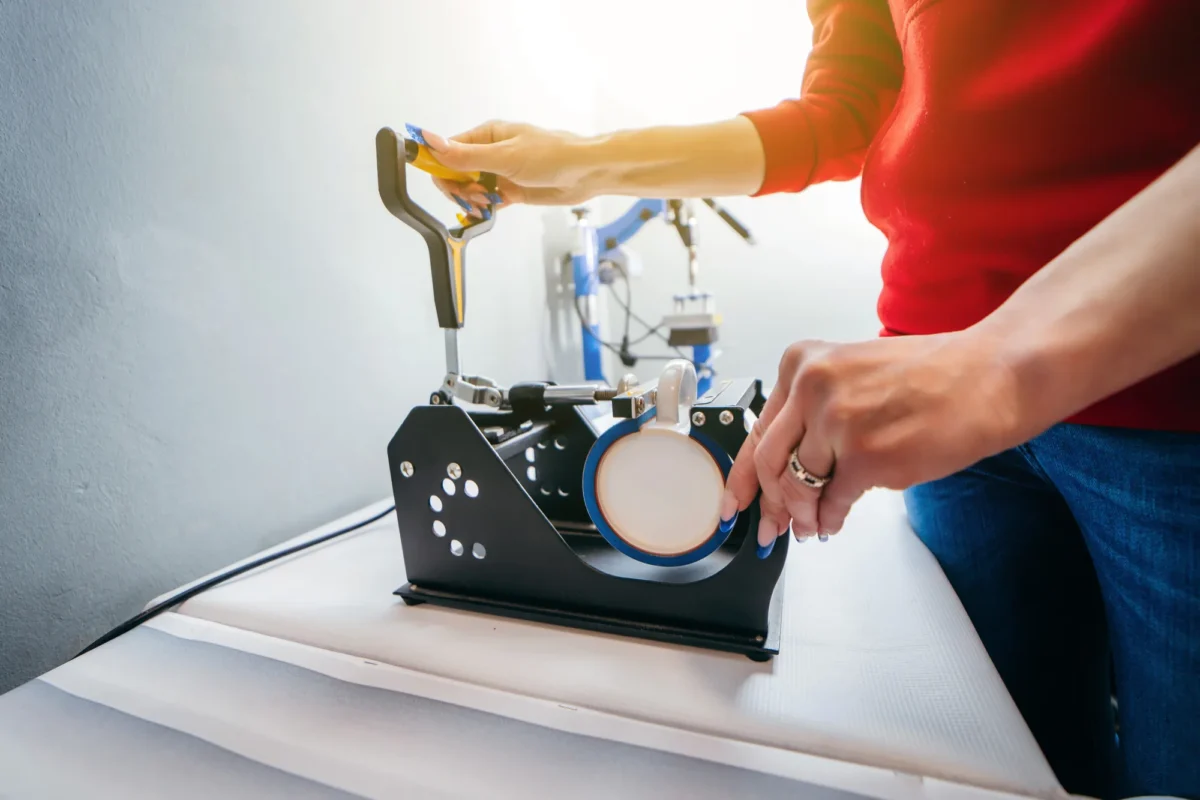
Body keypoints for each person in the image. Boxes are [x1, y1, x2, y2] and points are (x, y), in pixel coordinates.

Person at [418, 2, 1200, 797]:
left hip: (1167, 391)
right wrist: (583, 163)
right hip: (944, 401)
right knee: (999, 771)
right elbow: (843, 113)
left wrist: (998, 362)